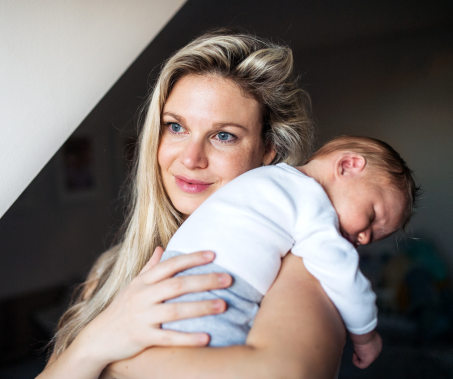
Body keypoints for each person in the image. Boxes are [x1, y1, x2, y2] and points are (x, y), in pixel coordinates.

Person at [38, 30, 347, 379]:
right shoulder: (111, 268)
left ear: (268, 151)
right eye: (176, 127)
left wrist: (105, 351)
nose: (191, 158)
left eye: (223, 135)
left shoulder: (305, 264)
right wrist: (95, 340)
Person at [162, 135, 419, 369]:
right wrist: (366, 335)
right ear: (348, 165)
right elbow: (343, 275)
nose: (364, 237)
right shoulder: (312, 202)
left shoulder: (267, 178)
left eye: (373, 237)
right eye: (372, 216)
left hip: (173, 284)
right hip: (210, 294)